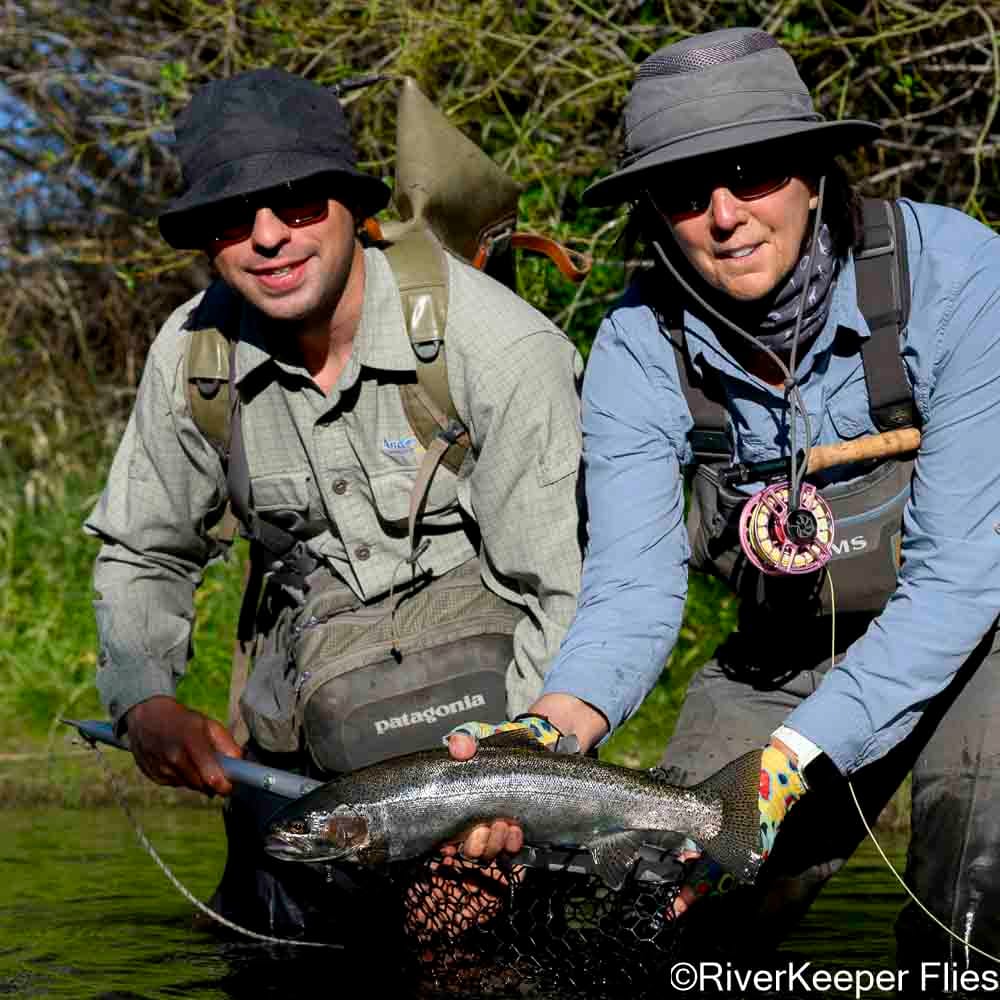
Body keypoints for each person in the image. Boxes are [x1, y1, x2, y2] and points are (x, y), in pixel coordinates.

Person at [455, 26, 1000, 978]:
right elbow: (632, 593)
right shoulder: (633, 348)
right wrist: (544, 731)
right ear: (654, 214)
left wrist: (790, 761)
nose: (723, 215)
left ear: (816, 171)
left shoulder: (961, 278)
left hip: (983, 641)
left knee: (970, 918)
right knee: (660, 932)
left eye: (753, 172)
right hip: (781, 657)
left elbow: (959, 583)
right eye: (684, 190)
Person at [85, 67, 586, 936]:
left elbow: (562, 591)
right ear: (207, 238)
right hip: (301, 767)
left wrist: (516, 789)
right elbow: (144, 549)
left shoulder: (498, 346)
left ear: (356, 208)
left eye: (299, 204)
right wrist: (146, 704)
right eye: (233, 219)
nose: (270, 238)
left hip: (490, 757)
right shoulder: (193, 357)